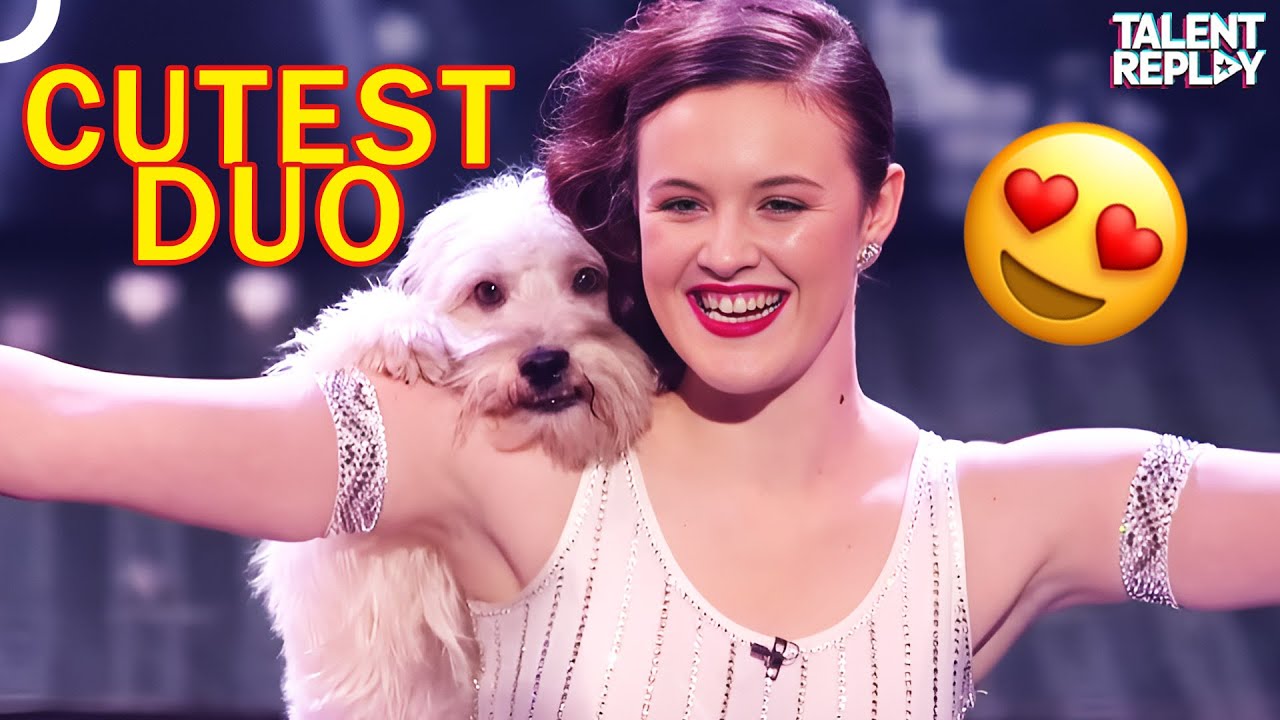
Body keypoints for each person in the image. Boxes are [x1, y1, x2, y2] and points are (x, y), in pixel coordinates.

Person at [1, 0, 1278, 717]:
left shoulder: (1002, 515)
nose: (725, 252)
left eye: (780, 202)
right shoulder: (484, 454)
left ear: (876, 209)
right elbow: (56, 420)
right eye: (681, 204)